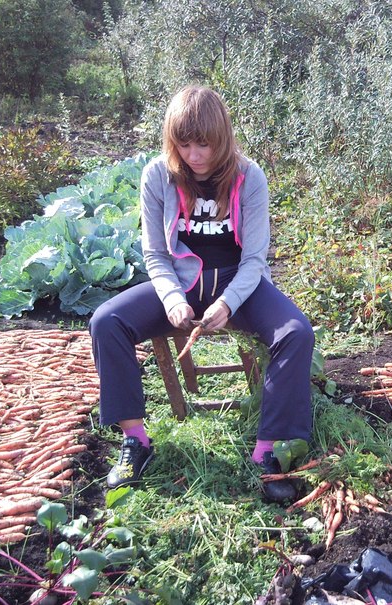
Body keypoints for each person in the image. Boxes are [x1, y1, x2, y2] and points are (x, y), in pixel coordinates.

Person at [89, 85, 315, 502]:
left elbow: (255, 259)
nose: (195, 155)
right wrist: (173, 299)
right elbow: (155, 253)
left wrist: (228, 303)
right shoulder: (158, 174)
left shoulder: (250, 177)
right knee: (107, 321)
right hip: (179, 286)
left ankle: (269, 453)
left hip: (238, 288)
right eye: (185, 144)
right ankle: (135, 441)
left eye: (205, 144)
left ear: (223, 138)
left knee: (297, 333)